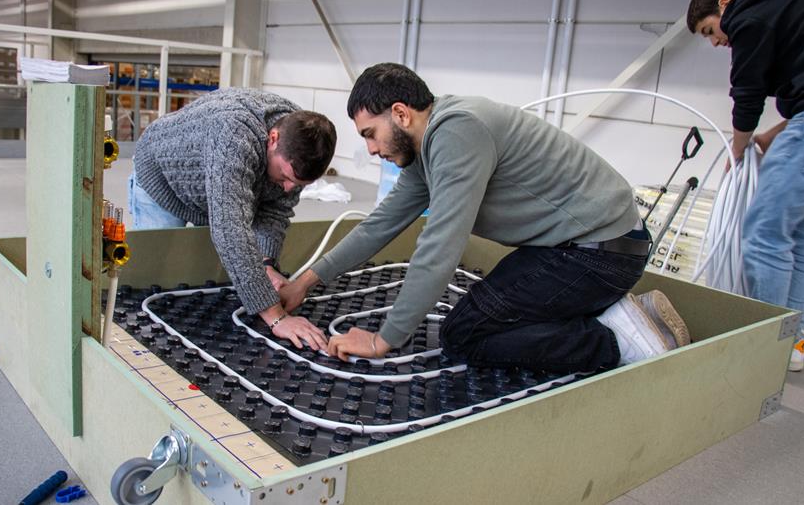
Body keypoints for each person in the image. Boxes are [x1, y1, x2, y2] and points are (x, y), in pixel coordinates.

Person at [280, 63, 686, 372]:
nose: (371, 149)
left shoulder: (457, 131)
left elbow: (440, 246)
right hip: (578, 246)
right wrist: (305, 282)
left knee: (464, 335)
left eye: (370, 133)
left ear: (400, 114)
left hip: (600, 255)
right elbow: (380, 224)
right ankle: (617, 314)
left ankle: (614, 341)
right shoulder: (427, 148)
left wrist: (382, 340)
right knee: (488, 314)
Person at [129, 87, 337, 352]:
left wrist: (266, 264)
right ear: (273, 139)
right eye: (285, 177)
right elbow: (230, 231)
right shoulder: (234, 136)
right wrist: (277, 317)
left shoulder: (300, 142)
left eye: (297, 184)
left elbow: (274, 211)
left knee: (205, 278)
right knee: (155, 286)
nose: (288, 188)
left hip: (211, 188)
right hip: (162, 178)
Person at [687, 0, 804, 371]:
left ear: (723, 4)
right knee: (802, 239)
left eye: (710, 30)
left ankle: (763, 347)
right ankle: (791, 343)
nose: (715, 42)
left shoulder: (747, 15)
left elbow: (747, 92)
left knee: (764, 236)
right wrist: (775, 133)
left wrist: (737, 149)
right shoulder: (784, 10)